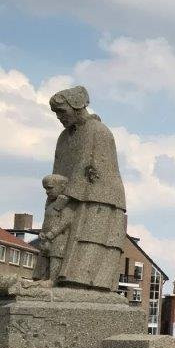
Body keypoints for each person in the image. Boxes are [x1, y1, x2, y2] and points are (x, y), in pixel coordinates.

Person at [47, 86, 127, 290]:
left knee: (88, 241)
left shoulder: (98, 132)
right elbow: (58, 171)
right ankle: (54, 279)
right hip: (67, 199)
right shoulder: (64, 137)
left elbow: (91, 170)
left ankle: (82, 284)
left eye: (62, 112)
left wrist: (67, 196)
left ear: (76, 106)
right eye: (56, 113)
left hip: (97, 200)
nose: (59, 117)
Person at [35, 174, 76, 283]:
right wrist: (42, 232)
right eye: (45, 189)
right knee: (45, 257)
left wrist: (52, 233)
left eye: (50, 188)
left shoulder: (64, 204)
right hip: (46, 238)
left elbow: (66, 221)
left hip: (59, 238)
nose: (47, 192)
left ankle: (53, 280)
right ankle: (44, 278)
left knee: (55, 256)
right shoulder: (50, 204)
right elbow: (46, 220)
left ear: (61, 187)